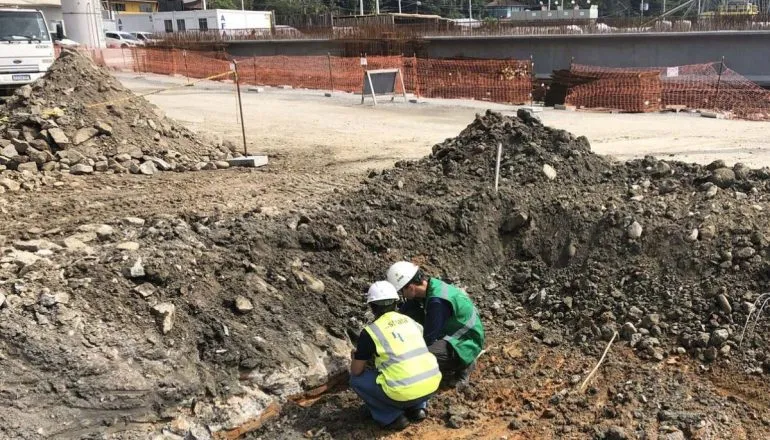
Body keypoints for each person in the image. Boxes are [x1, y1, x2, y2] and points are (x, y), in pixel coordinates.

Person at [349, 281, 442, 431]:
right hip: (431, 386)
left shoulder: (371, 332)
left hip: (403, 393)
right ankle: (418, 409)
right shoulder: (412, 322)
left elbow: (356, 371)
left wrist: (356, 357)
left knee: (356, 380)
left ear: (372, 307)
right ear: (396, 302)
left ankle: (391, 416)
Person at [386, 261, 485, 387]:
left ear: (411, 288)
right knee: (411, 310)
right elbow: (405, 311)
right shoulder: (430, 286)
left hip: (466, 342)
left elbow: (429, 338)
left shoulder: (437, 302)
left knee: (419, 358)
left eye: (401, 291)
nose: (402, 295)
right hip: (454, 330)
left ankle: (465, 363)